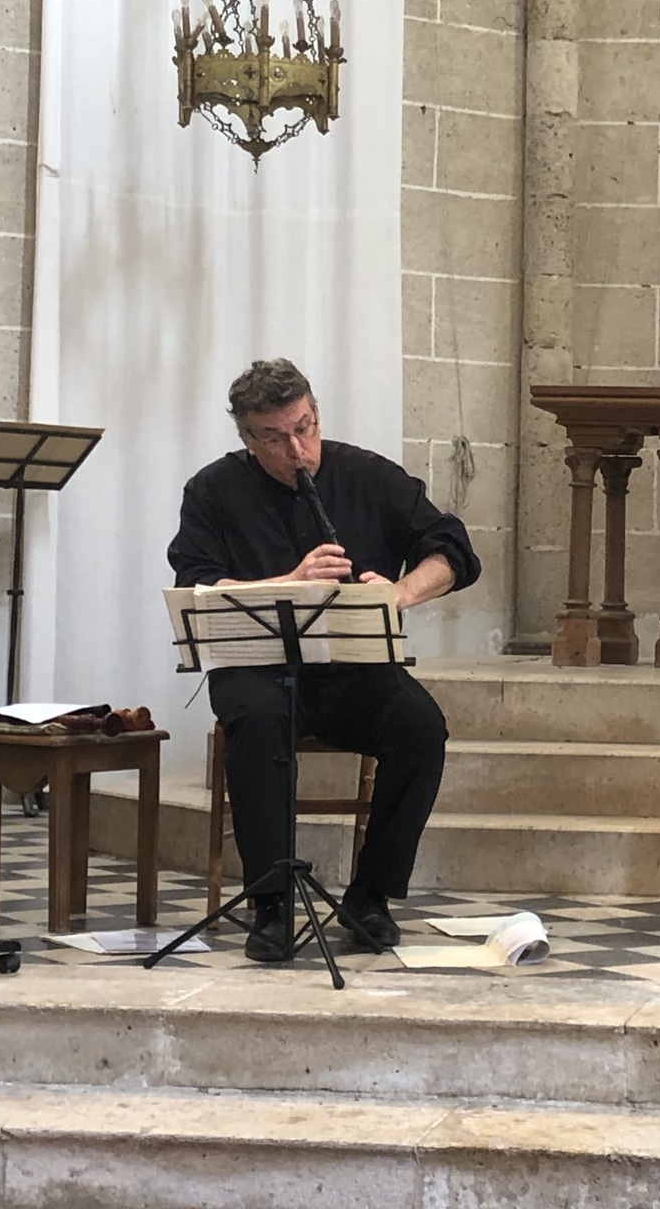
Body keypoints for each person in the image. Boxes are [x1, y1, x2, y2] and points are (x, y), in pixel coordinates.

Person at [168, 358, 481, 962]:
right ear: (247, 438)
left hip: (352, 671)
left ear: (316, 414)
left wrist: (400, 592)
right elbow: (197, 582)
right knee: (257, 721)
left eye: (305, 427)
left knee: (420, 726)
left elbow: (453, 549)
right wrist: (290, 582)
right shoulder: (212, 490)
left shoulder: (366, 474)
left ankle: (371, 896)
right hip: (255, 668)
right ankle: (271, 904)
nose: (297, 449)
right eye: (276, 437)